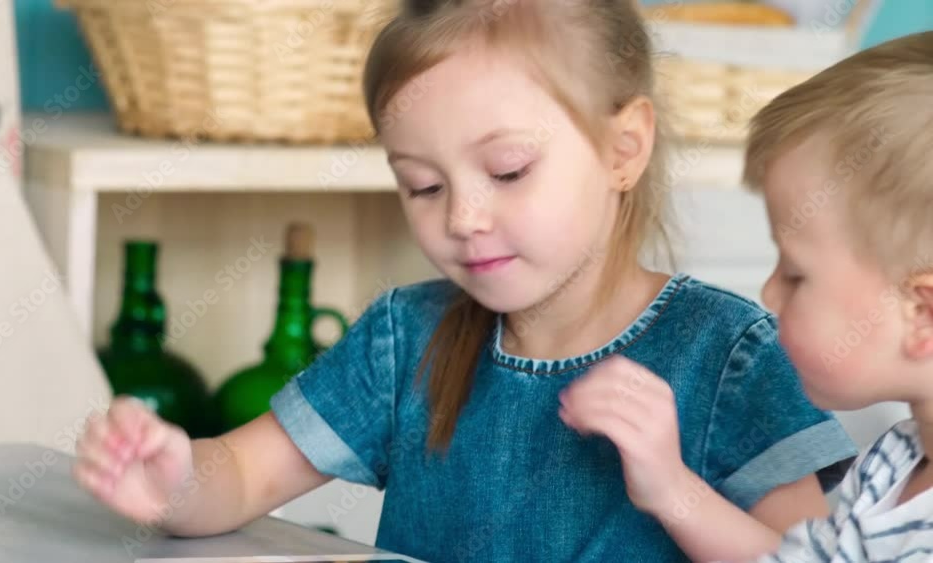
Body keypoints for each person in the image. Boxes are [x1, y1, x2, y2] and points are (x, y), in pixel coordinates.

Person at [70, 1, 858, 561]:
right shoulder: (402, 338)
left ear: (624, 148)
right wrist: (175, 479)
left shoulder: (728, 355)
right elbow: (239, 474)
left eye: (508, 170)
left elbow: (809, 558)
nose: (464, 217)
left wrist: (672, 486)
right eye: (422, 184)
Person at [618, 31, 933, 562]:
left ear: (922, 312)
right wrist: (671, 490)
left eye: (795, 273)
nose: (768, 291)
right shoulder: (896, 461)